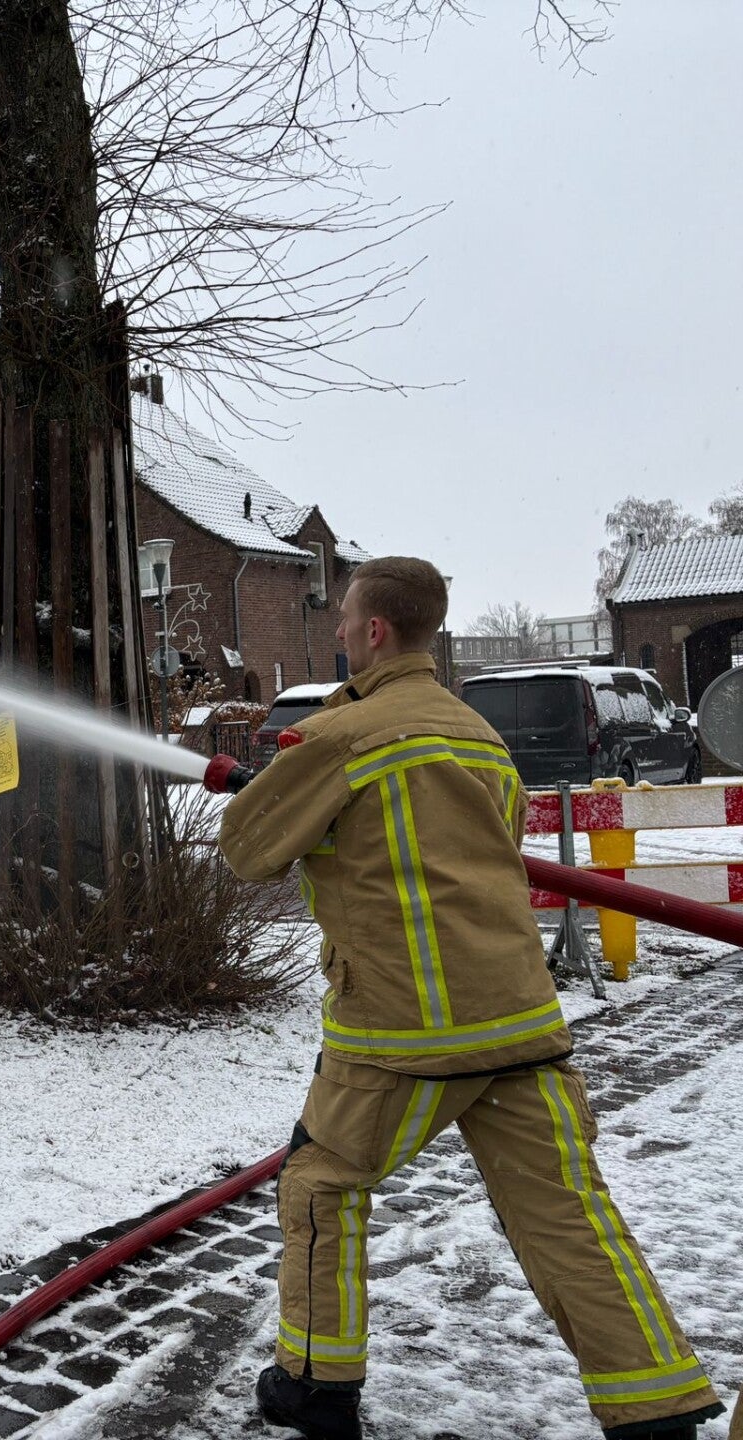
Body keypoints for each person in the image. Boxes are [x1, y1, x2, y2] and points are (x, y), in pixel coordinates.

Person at [215, 557, 722, 1440]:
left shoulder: (342, 737)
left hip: (402, 1030)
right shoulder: (477, 734)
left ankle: (315, 1387)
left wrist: (283, 786)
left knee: (322, 1184)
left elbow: (247, 849)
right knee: (566, 1215)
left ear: (376, 631)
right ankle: (659, 1408)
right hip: (522, 1019)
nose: (338, 630)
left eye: (346, 618)